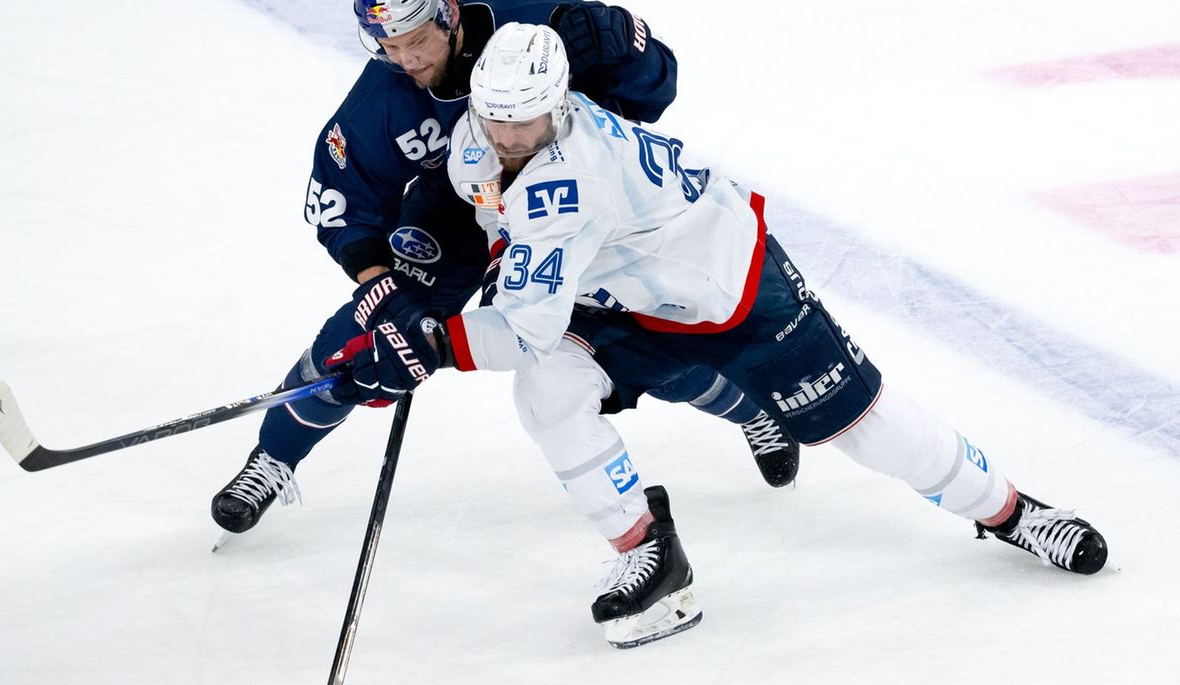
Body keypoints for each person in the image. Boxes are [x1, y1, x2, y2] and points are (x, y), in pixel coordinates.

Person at [328, 22, 1109, 648]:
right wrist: (414, 305)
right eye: (493, 118)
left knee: (866, 431)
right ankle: (649, 557)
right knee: (550, 392)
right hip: (624, 293)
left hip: (732, 292)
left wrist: (429, 346)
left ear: (560, 102)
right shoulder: (484, 138)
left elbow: (525, 325)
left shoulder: (572, 183)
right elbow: (497, 234)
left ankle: (1009, 511)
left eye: (522, 120)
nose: (504, 135)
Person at [213, 0, 801, 538]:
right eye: (387, 47)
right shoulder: (383, 97)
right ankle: (274, 456)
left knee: (633, 342)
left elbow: (653, 95)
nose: (406, 60)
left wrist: (625, 48)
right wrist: (383, 292)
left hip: (574, 212)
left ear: (447, 15)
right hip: (462, 213)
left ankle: (749, 409)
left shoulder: (535, 30)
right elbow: (345, 205)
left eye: (415, 39)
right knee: (364, 338)